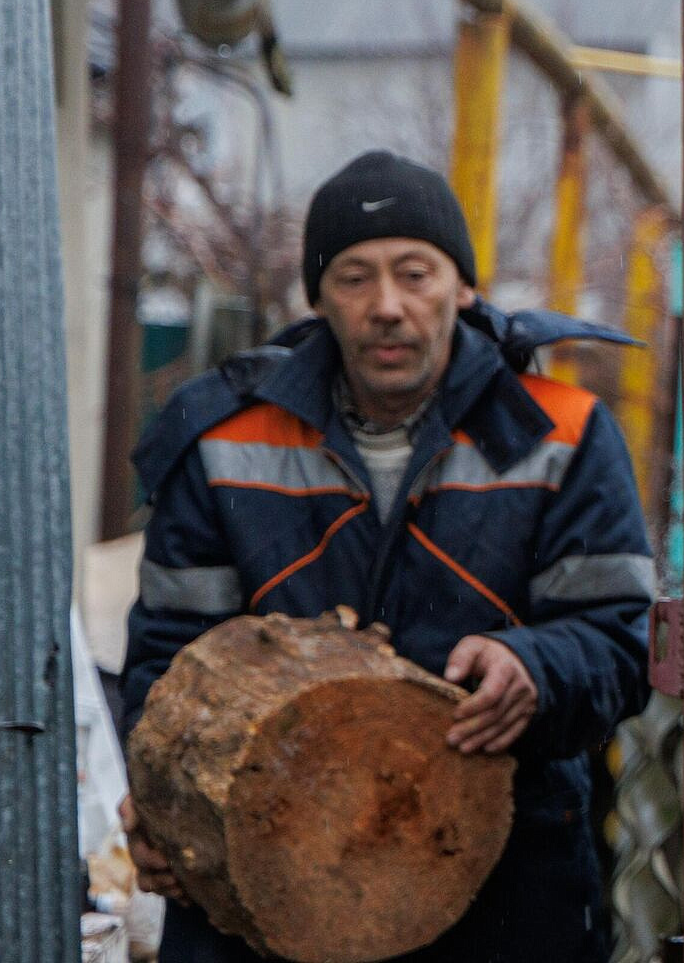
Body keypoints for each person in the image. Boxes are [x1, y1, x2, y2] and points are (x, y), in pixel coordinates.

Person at [117, 149, 656, 962]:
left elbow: (621, 640)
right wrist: (163, 805)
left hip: (504, 882)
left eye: (416, 273)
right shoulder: (225, 439)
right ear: (318, 297)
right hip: (267, 881)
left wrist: (536, 668)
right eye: (355, 278)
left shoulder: (562, 431)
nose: (388, 307)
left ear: (464, 287)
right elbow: (167, 665)